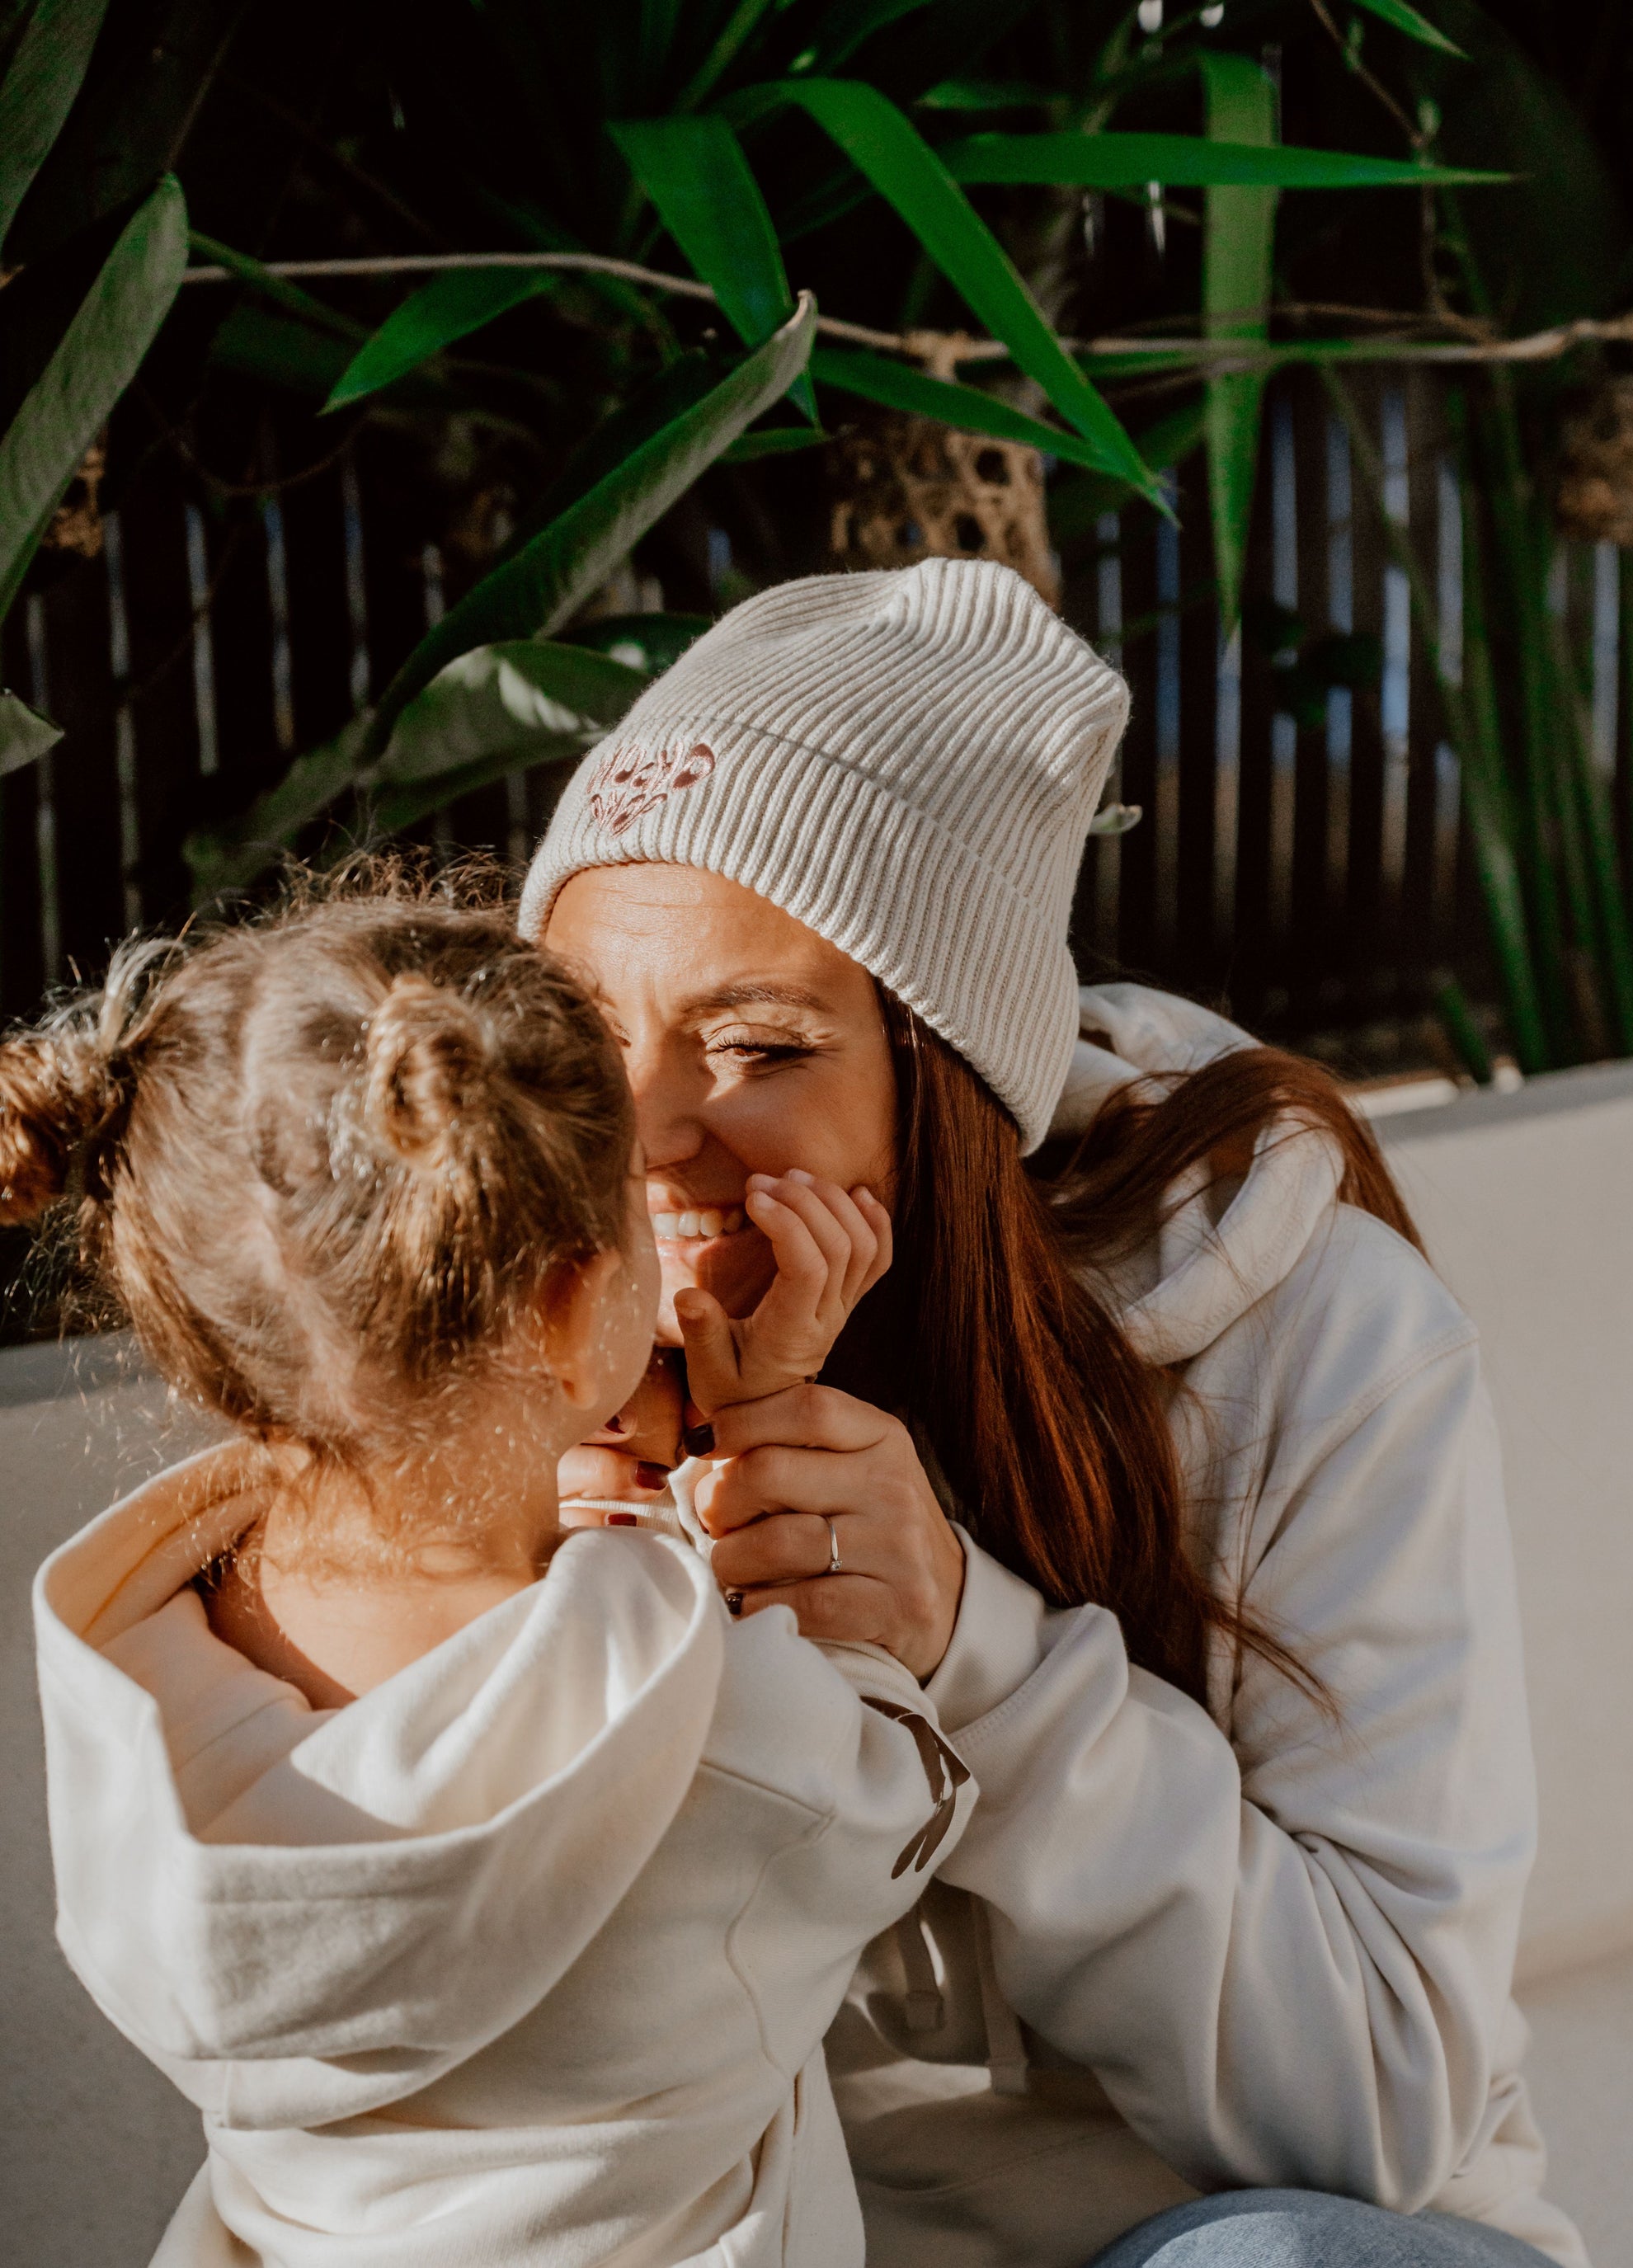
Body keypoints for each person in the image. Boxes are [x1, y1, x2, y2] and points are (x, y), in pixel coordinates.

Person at [525, 558, 1585, 2268]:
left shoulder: (1310, 1333)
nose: (642, 1131)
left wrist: (975, 1656)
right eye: (583, 1031)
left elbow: (1379, 2112)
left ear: (944, 1080)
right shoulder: (512, 1357)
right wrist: (571, 1608)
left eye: (760, 1047)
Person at [20, 867, 975, 2268]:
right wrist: (760, 1421)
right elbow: (890, 1788)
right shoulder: (696, 1725)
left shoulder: (134, 1678)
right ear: (574, 1300)